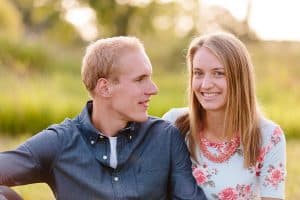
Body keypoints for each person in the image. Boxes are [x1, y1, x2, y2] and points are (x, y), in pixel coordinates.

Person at [0, 36, 206, 200]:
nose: (153, 89)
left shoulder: (165, 137)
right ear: (105, 87)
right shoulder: (60, 142)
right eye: (140, 79)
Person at [163, 32, 286, 200]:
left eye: (218, 73)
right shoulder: (174, 124)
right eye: (198, 73)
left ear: (240, 78)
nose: (205, 85)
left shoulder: (269, 136)